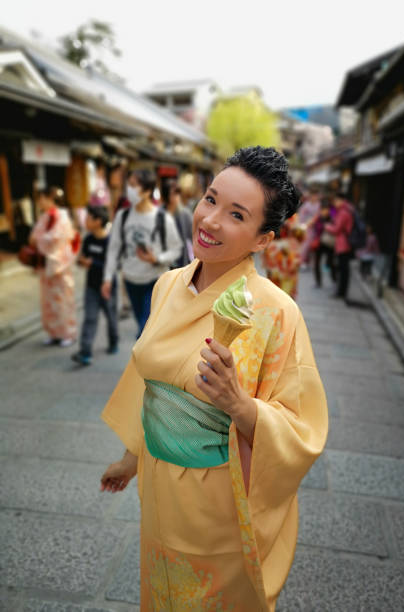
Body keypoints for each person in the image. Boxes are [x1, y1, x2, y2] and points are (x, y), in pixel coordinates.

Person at [99, 146, 328, 611]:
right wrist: (132, 456)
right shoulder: (168, 284)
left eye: (236, 214)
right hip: (161, 489)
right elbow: (148, 382)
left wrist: (239, 404)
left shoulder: (277, 313)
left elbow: (303, 429)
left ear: (263, 240)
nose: (210, 220)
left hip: (219, 500)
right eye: (210, 199)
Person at [101, 170, 182, 337]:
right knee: (141, 322)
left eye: (133, 186)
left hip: (155, 280)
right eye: (128, 185)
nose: (128, 190)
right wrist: (108, 278)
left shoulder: (162, 218)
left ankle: (145, 359)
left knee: (144, 331)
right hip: (130, 280)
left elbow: (176, 248)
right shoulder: (122, 217)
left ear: (146, 191)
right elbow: (114, 248)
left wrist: (157, 258)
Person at [29, 186, 79, 347]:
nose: (40, 202)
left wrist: (40, 240)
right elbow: (36, 236)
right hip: (47, 264)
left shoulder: (63, 217)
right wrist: (39, 239)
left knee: (62, 299)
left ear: (50, 199)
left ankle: (68, 332)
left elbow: (58, 238)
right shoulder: (44, 217)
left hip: (59, 265)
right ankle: (53, 332)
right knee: (48, 300)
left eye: (42, 198)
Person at [72, 206, 118, 366]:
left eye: (88, 218)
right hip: (91, 286)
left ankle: (114, 341)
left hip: (108, 287)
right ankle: (85, 352)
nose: (85, 221)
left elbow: (113, 264)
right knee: (90, 318)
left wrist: (93, 263)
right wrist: (81, 261)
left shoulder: (110, 241)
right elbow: (81, 258)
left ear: (98, 221)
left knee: (111, 317)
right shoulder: (88, 239)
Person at [262, 212, 305, 299]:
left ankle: (278, 303)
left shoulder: (272, 211)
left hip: (275, 248)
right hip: (284, 250)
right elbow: (300, 235)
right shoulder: (292, 216)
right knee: (283, 285)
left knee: (275, 283)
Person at [325, 191, 354, 299]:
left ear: (341, 200)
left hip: (343, 244)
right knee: (343, 269)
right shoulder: (347, 210)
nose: (334, 203)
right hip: (345, 243)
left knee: (342, 269)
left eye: (336, 201)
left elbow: (336, 229)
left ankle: (341, 292)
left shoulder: (343, 212)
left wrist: (326, 226)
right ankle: (341, 291)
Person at [162, 179, 194, 267]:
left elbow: (192, 237)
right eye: (173, 194)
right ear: (166, 195)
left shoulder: (185, 214)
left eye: (178, 193)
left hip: (181, 261)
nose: (177, 197)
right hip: (163, 260)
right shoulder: (159, 214)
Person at [312, 199, 337, 288]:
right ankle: (318, 282)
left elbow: (335, 230)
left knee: (331, 263)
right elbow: (315, 228)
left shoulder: (332, 218)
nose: (324, 211)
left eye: (325, 209)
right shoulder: (318, 218)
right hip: (319, 243)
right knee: (316, 263)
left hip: (328, 243)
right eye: (322, 209)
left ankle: (334, 280)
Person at [298, 186, 321, 266]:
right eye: (313, 195)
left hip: (316, 228)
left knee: (312, 246)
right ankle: (302, 261)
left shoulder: (319, 205)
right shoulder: (307, 204)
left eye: (316, 195)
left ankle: (307, 261)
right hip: (306, 227)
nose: (314, 197)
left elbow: (318, 216)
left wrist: (312, 221)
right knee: (305, 245)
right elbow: (301, 214)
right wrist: (302, 224)